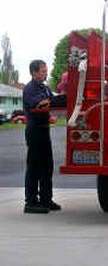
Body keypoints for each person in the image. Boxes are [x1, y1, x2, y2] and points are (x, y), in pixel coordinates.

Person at [23, 60, 61, 213]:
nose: (46, 73)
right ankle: (31, 202)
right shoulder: (30, 89)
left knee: (47, 166)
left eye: (46, 71)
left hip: (44, 130)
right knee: (34, 166)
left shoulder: (44, 87)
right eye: (42, 71)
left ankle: (46, 199)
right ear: (33, 72)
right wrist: (49, 101)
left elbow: (52, 101)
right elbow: (40, 104)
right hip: (34, 130)